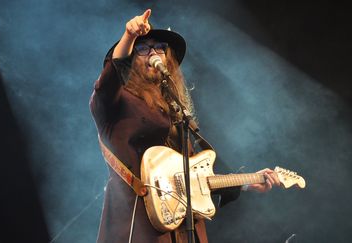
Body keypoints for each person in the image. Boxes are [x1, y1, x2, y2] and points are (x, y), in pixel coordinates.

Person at [90, 9, 280, 243]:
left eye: (159, 47)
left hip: (182, 228)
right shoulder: (115, 104)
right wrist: (129, 36)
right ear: (130, 60)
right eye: (143, 48)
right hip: (139, 226)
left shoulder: (174, 111)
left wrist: (246, 183)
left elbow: (191, 179)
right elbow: (106, 85)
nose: (153, 52)